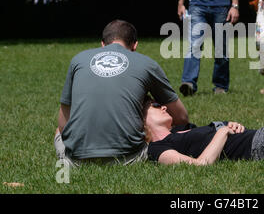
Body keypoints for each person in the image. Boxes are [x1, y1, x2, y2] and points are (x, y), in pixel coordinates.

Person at [54, 19, 189, 166]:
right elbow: (181, 117)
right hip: (129, 157)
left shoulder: (78, 60)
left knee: (58, 131)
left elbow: (63, 124)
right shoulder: (147, 64)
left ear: (102, 44)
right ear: (135, 45)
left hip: (77, 160)